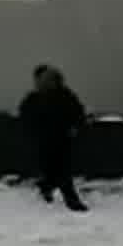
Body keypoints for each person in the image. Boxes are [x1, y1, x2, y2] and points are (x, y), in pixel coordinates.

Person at [18, 66, 87, 214]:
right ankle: (49, 188)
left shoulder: (65, 96)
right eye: (43, 81)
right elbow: (25, 116)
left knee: (62, 171)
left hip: (62, 140)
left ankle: (69, 199)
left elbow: (78, 113)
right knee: (54, 170)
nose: (45, 83)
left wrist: (75, 127)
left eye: (49, 80)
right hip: (45, 141)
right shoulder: (35, 98)